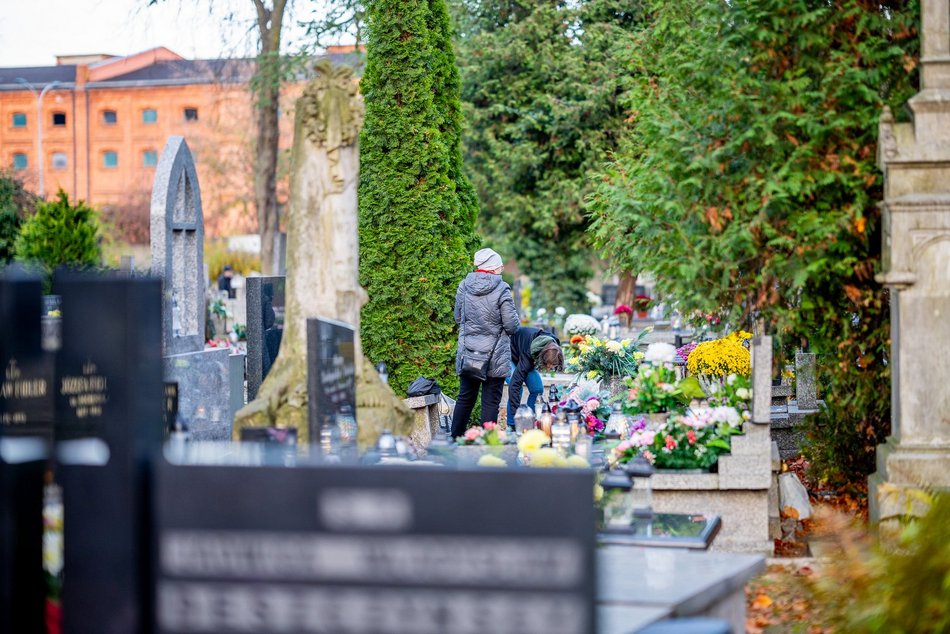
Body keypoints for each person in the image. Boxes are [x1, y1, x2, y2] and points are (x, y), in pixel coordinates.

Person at [451, 248, 520, 437]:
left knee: (465, 398)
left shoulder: (464, 286)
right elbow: (512, 326)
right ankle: (487, 447)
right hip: (495, 356)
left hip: (470, 353)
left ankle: (454, 440)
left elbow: (458, 318)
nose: (502, 269)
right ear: (493, 268)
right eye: (500, 265)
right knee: (490, 402)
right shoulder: (502, 288)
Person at [506, 326, 563, 429]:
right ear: (543, 357)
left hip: (523, 353)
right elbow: (515, 385)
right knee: (517, 389)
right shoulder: (528, 356)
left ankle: (529, 421)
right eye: (548, 364)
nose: (550, 368)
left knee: (537, 389)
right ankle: (512, 425)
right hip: (507, 354)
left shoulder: (554, 346)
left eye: (553, 366)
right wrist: (516, 416)